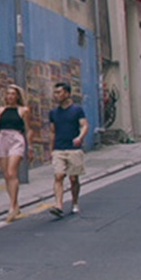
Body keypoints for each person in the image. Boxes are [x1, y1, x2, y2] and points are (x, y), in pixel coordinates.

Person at [0, 84, 32, 222]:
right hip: (3, 138)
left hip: (16, 139)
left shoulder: (23, 110)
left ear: (17, 96)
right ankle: (16, 203)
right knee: (6, 175)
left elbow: (28, 129)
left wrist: (30, 146)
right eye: (8, 94)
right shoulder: (0, 111)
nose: (10, 96)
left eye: (13, 94)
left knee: (11, 172)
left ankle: (12, 207)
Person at [48, 82, 89, 217]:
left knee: (73, 178)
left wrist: (80, 137)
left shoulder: (77, 110)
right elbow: (52, 131)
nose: (56, 95)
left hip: (73, 148)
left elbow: (84, 125)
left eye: (59, 92)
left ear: (67, 93)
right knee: (58, 176)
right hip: (59, 148)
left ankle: (75, 202)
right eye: (55, 93)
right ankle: (59, 206)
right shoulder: (53, 113)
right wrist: (51, 148)